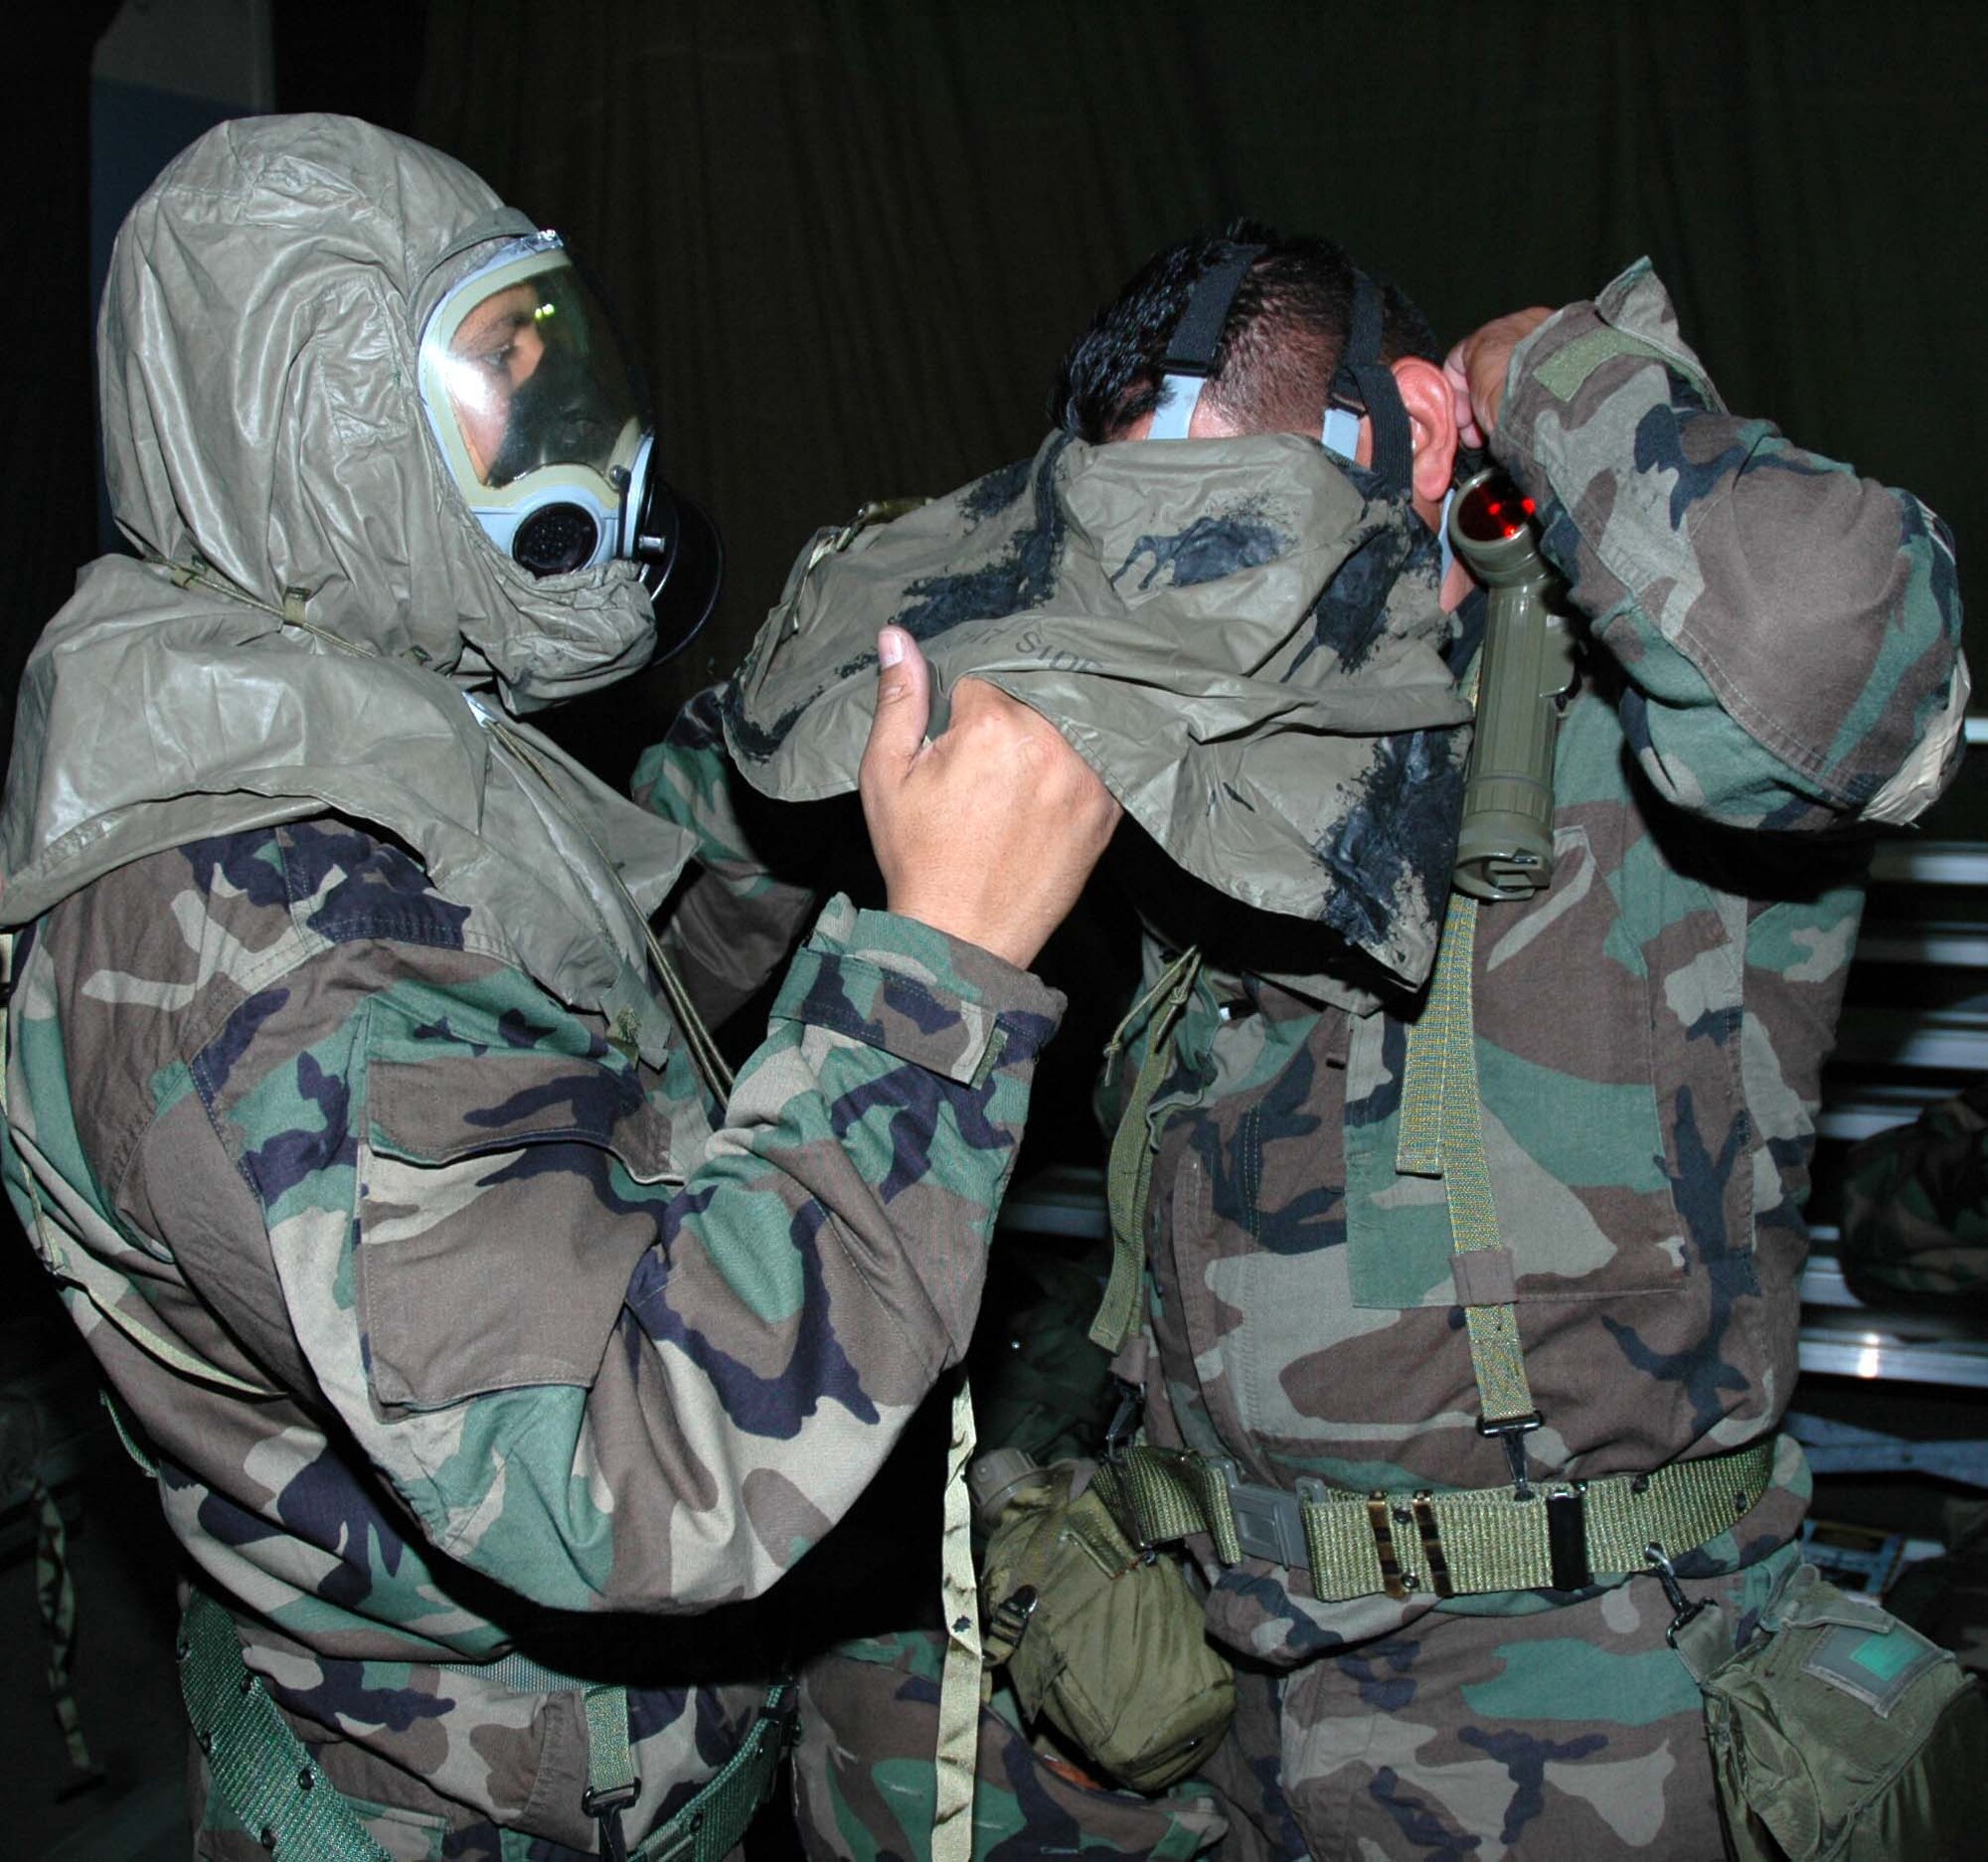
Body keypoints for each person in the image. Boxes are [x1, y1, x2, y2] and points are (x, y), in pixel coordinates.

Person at [692, 223, 1966, 1857]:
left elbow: (1841, 641)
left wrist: (1542, 369)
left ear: (1417, 438)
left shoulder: (1633, 720)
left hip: (1564, 1694)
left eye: (1242, 534)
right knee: (871, 1721)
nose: (1201, 618)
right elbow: (736, 789)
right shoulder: (1165, 700)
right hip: (1210, 1658)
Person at [0, 113, 1118, 1861]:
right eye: (503, 388)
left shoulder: (298, 685)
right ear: (328, 434)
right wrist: (946, 967)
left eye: (557, 360)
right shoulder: (257, 940)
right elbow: (643, 1468)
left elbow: (567, 976)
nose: (578, 434)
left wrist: (802, 751)